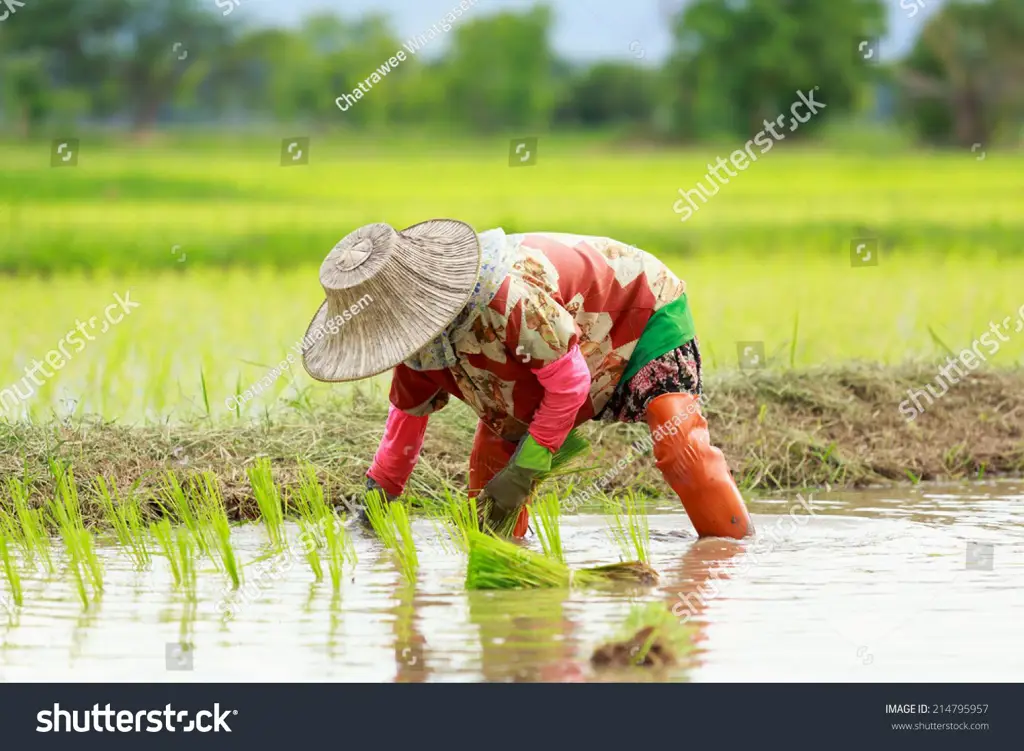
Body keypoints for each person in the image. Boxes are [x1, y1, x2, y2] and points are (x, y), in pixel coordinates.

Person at [300, 219, 752, 539]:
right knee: (488, 489)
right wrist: (375, 501)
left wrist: (527, 468)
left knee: (679, 443)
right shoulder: (414, 346)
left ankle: (727, 559)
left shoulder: (509, 299)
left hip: (634, 311)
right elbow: (406, 422)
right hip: (546, 360)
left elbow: (570, 385)